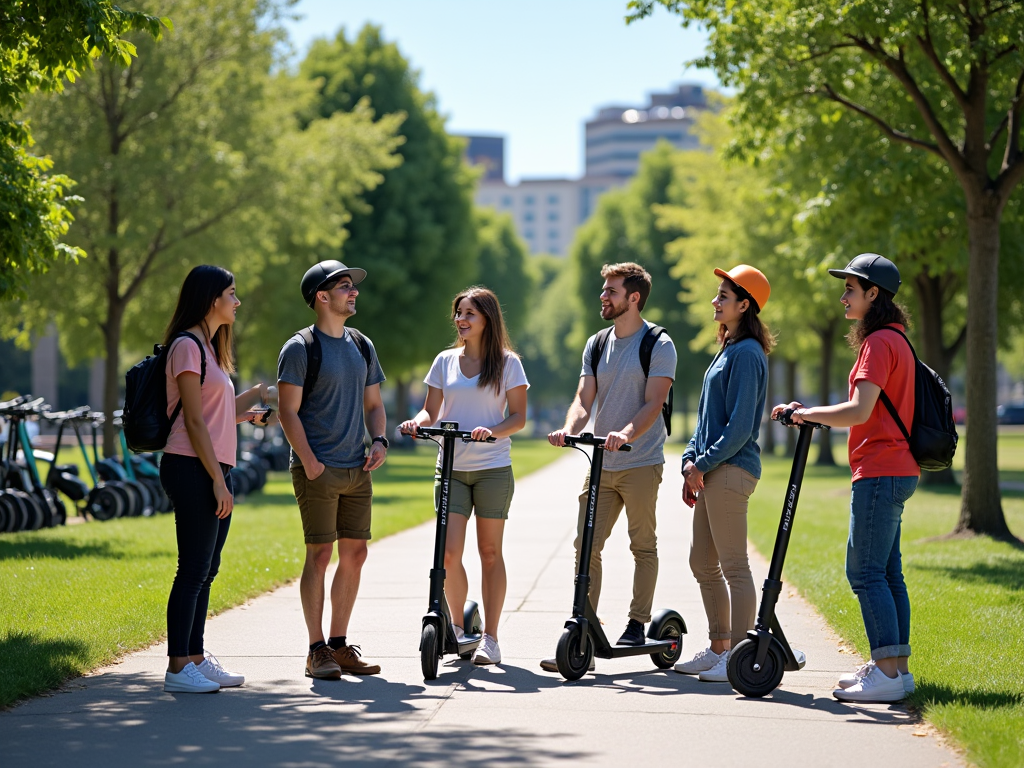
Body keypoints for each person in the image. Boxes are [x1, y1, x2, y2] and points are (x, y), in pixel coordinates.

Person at [773, 253, 919, 703]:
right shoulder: (898, 340)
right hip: (896, 468)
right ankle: (893, 669)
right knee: (888, 573)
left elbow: (859, 410)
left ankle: (888, 676)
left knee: (865, 571)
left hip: (879, 470)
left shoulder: (878, 344)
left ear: (873, 294)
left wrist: (805, 414)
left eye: (850, 290)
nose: (843, 298)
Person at [541, 262, 676, 672]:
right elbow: (584, 398)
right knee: (586, 545)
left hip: (640, 461)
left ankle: (638, 623)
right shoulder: (598, 343)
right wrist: (568, 428)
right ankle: (584, 624)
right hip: (601, 462)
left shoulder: (659, 343)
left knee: (642, 545)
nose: (603, 296)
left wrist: (627, 432)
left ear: (633, 298)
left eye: (611, 291)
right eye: (604, 290)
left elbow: (654, 402)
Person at [399, 287, 529, 665]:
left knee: (489, 552)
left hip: (492, 469)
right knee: (450, 554)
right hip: (451, 468)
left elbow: (518, 417)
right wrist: (417, 423)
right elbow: (430, 411)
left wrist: (494, 431)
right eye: (458, 313)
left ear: (488, 318)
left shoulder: (508, 364)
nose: (461, 319)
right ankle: (457, 627)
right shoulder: (444, 361)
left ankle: (491, 637)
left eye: (470, 313)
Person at [277, 260, 388, 680]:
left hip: (357, 467)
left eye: (352, 286)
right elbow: (288, 411)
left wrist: (378, 441)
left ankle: (340, 646)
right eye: (344, 286)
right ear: (322, 297)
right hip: (317, 468)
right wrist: (309, 462)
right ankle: (315, 649)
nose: (353, 292)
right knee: (319, 554)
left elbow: (374, 405)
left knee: (355, 553)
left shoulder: (362, 344)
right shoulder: (300, 348)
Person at [162, 265, 270, 694]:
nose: (237, 301)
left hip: (210, 466)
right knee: (191, 569)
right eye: (231, 293)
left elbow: (211, 411)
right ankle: (176, 667)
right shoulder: (186, 346)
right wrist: (218, 482)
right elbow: (191, 419)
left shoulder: (208, 347)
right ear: (211, 299)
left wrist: (253, 402)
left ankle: (195, 658)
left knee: (207, 569)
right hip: (191, 466)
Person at [674, 265, 774, 683]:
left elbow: (738, 429)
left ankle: (738, 654)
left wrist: (703, 463)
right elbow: (705, 422)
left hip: (731, 470)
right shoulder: (729, 349)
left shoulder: (748, 353)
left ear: (744, 304)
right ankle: (719, 646)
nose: (715, 302)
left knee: (734, 566)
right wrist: (689, 461)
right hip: (712, 470)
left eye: (723, 296)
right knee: (702, 560)